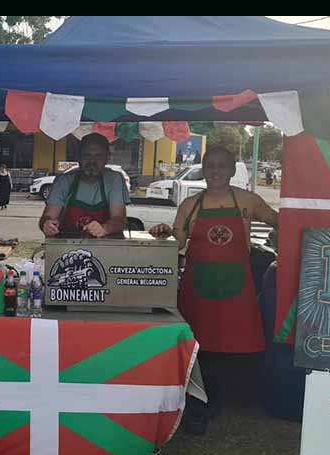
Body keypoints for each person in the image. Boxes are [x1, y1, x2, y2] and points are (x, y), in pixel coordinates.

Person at [150, 146, 278, 434]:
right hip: (199, 287)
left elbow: (279, 220)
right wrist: (164, 232)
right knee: (200, 347)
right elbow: (179, 242)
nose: (216, 171)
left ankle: (224, 400)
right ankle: (199, 404)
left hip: (237, 287)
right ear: (203, 169)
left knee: (233, 347)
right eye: (210, 166)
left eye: (223, 166)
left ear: (233, 170)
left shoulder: (247, 201)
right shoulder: (191, 205)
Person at [39, 133, 128, 238]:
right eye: (87, 155)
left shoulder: (114, 179)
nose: (92, 161)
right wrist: (47, 224)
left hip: (106, 247)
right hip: (68, 247)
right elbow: (48, 216)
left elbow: (119, 219)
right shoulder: (64, 181)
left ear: (107, 157)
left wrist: (105, 228)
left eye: (98, 156)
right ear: (78, 157)